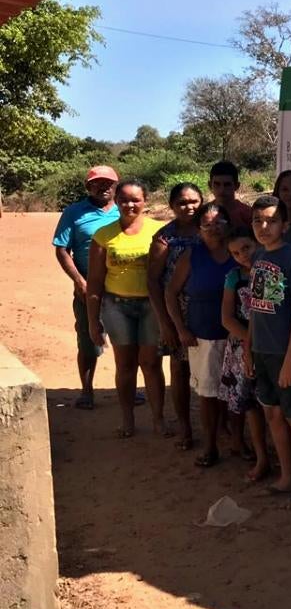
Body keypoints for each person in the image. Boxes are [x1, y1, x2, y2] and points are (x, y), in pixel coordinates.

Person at [245, 195, 291, 509]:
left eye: (272, 221)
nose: (265, 227)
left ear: (285, 225)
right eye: (259, 221)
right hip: (261, 351)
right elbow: (256, 311)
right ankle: (286, 476)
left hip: (286, 354)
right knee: (273, 414)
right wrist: (249, 350)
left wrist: (290, 361)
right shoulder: (259, 257)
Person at [86, 179, 167, 438]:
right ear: (116, 201)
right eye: (124, 199)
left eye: (135, 199)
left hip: (151, 306)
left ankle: (158, 419)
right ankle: (127, 419)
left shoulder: (159, 231)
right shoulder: (103, 236)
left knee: (151, 364)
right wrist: (93, 322)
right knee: (125, 365)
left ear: (145, 201)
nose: (129, 204)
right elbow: (95, 283)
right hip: (116, 307)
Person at [165, 203, 236, 468]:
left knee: (235, 392)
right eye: (207, 224)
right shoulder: (191, 255)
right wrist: (180, 328)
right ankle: (210, 445)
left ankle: (237, 441)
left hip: (237, 335)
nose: (214, 228)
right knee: (208, 394)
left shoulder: (241, 252)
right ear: (198, 229)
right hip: (202, 333)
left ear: (229, 225)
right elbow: (170, 293)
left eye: (219, 222)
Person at [53, 165, 120, 410]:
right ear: (87, 186)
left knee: (127, 342)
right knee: (88, 341)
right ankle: (87, 390)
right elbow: (62, 250)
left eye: (108, 183)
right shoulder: (74, 212)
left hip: (123, 290)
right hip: (88, 291)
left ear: (116, 185)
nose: (103, 187)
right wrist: (79, 281)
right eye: (96, 183)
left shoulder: (126, 209)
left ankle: (128, 388)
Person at [148, 182, 204, 449]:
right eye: (182, 202)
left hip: (209, 308)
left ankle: (221, 425)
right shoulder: (164, 238)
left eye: (194, 201)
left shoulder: (211, 229)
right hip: (176, 311)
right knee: (180, 369)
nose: (189, 207)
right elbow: (153, 282)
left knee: (213, 368)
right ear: (171, 206)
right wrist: (166, 323)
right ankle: (185, 427)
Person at [220, 228, 269, 482]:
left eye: (246, 248)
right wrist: (249, 341)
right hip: (242, 347)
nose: (242, 256)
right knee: (251, 406)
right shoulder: (233, 277)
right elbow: (227, 318)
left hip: (270, 345)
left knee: (275, 405)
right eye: (235, 253)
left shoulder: (269, 272)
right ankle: (262, 457)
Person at [209, 160, 254, 230]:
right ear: (210, 185)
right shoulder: (203, 213)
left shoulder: (248, 214)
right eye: (217, 184)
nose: (222, 190)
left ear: (237, 186)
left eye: (227, 185)